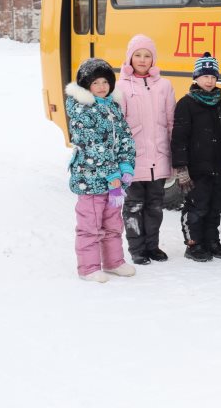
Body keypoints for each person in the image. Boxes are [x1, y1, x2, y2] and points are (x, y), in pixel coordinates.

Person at [66, 58, 136, 283]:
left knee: (113, 222)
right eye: (95, 83)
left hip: (113, 180)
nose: (102, 87)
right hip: (91, 178)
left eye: (105, 82)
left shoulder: (112, 106)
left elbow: (125, 136)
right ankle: (88, 267)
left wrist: (126, 164)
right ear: (87, 85)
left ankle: (114, 261)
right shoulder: (81, 109)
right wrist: (111, 172)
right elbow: (92, 144)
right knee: (90, 224)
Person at [171, 52, 221, 262]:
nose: (209, 81)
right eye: (205, 76)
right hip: (196, 170)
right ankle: (194, 244)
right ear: (196, 78)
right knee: (197, 207)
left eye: (213, 76)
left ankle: (212, 241)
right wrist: (181, 168)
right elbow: (179, 139)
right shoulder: (186, 104)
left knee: (214, 207)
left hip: (218, 168)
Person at [116, 34, 175, 265]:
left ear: (153, 59)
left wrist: (173, 156)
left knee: (155, 207)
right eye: (137, 55)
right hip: (133, 161)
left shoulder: (165, 86)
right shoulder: (120, 86)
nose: (142, 60)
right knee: (133, 206)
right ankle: (137, 248)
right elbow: (118, 128)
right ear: (130, 58)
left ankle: (153, 246)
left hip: (158, 158)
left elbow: (171, 122)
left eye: (147, 55)